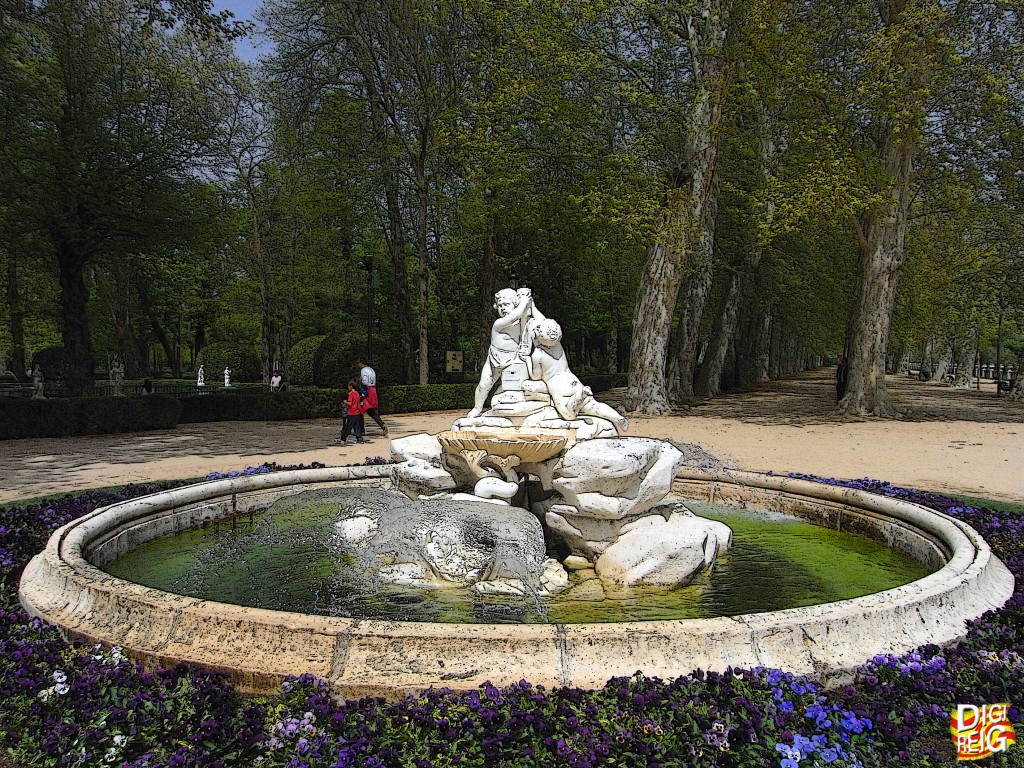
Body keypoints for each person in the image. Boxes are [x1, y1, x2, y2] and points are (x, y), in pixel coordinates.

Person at [521, 319, 628, 433]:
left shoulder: (538, 354)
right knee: (592, 405)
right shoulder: (558, 346)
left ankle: (579, 396)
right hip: (573, 381)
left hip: (559, 386)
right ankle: (618, 418)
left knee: (568, 414)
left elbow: (536, 376)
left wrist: (527, 359)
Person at [468, 287, 546, 418]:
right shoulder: (499, 323)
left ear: (514, 304)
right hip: (495, 359)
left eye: (506, 304)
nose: (503, 308)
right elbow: (514, 315)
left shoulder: (522, 321)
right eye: (500, 306)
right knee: (484, 385)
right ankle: (477, 407)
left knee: (511, 388)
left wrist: (531, 305)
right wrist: (523, 302)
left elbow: (543, 323)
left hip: (513, 359)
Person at [357, 359, 388, 435]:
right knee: (373, 412)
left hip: (367, 391)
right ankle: (382, 424)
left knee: (360, 410)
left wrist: (360, 383)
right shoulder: (371, 370)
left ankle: (361, 430)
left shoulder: (363, 370)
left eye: (358, 363)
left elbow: (365, 381)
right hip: (373, 390)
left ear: (361, 363)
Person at [336, 379, 367, 445]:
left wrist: (345, 402)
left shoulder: (351, 394)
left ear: (351, 386)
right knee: (356, 426)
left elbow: (350, 403)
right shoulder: (357, 393)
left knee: (348, 426)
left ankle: (343, 439)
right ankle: (359, 439)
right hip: (357, 412)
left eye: (348, 386)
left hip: (351, 412)